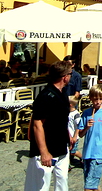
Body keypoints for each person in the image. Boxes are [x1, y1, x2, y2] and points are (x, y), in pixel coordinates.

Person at [24, 61, 72, 191]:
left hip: (61, 146)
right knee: (39, 186)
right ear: (65, 77)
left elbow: (62, 119)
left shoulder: (62, 93)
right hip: (47, 148)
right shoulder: (46, 96)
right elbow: (37, 124)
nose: (71, 76)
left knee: (62, 182)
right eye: (70, 74)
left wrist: (68, 137)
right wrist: (44, 151)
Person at [79, 84, 102, 191]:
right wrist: (86, 127)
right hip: (87, 153)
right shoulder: (86, 113)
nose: (98, 102)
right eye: (95, 99)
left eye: (101, 99)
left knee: (88, 187)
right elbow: (81, 135)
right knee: (93, 185)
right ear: (90, 98)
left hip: (99, 153)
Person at [67, 96, 82, 170]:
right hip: (67, 136)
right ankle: (68, 164)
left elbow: (78, 126)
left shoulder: (76, 114)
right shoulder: (67, 113)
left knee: (73, 151)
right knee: (67, 151)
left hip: (74, 136)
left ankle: (82, 158)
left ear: (70, 104)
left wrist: (75, 136)